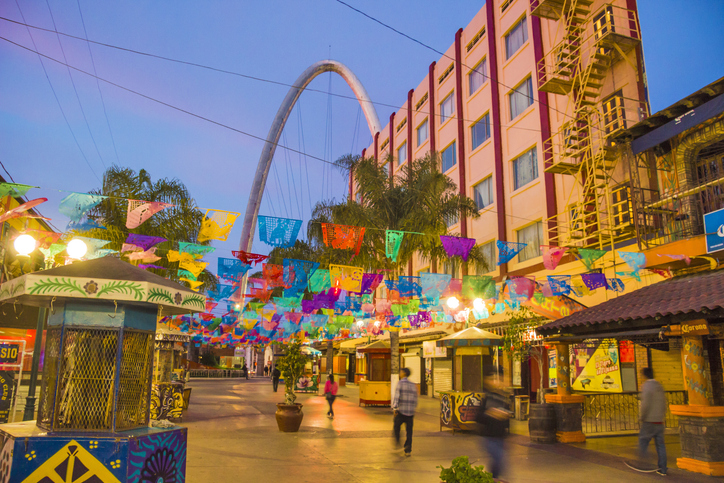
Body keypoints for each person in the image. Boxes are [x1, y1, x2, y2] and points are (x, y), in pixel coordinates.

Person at [477, 366, 512, 480]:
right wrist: (490, 414)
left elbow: (508, 414)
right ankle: (492, 479)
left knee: (499, 462)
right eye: (492, 379)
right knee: (498, 460)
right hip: (489, 437)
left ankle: (493, 479)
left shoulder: (502, 396)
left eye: (498, 379)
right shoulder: (485, 396)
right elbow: (477, 416)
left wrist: (505, 415)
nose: (496, 382)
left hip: (500, 437)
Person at [639, 367, 668, 476]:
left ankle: (644, 464)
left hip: (649, 421)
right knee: (660, 445)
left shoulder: (647, 386)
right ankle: (663, 468)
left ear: (645, 375)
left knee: (643, 441)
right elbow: (664, 402)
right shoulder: (659, 386)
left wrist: (642, 417)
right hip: (659, 421)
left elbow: (645, 404)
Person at [392, 367, 418, 456]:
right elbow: (415, 398)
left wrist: (395, 408)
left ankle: (398, 444)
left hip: (401, 411)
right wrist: (413, 408)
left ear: (404, 373)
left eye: (400, 372)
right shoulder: (412, 384)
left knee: (396, 427)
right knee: (409, 431)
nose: (400, 373)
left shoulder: (400, 383)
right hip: (410, 412)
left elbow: (397, 396)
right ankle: (408, 450)